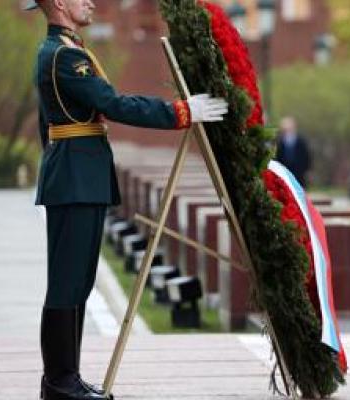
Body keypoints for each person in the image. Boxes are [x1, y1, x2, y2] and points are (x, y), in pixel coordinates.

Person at [23, 0, 228, 399]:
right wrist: (180, 112)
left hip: (78, 177)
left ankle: (68, 377)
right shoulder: (64, 56)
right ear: (60, 4)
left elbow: (45, 123)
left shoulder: (67, 50)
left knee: (78, 283)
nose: (91, 3)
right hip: (75, 181)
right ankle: (58, 382)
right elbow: (114, 104)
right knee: (67, 284)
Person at [275, 116, 312, 187]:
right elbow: (277, 158)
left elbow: (306, 157)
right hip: (284, 172)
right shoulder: (280, 142)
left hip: (299, 173)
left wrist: (307, 171)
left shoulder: (301, 141)